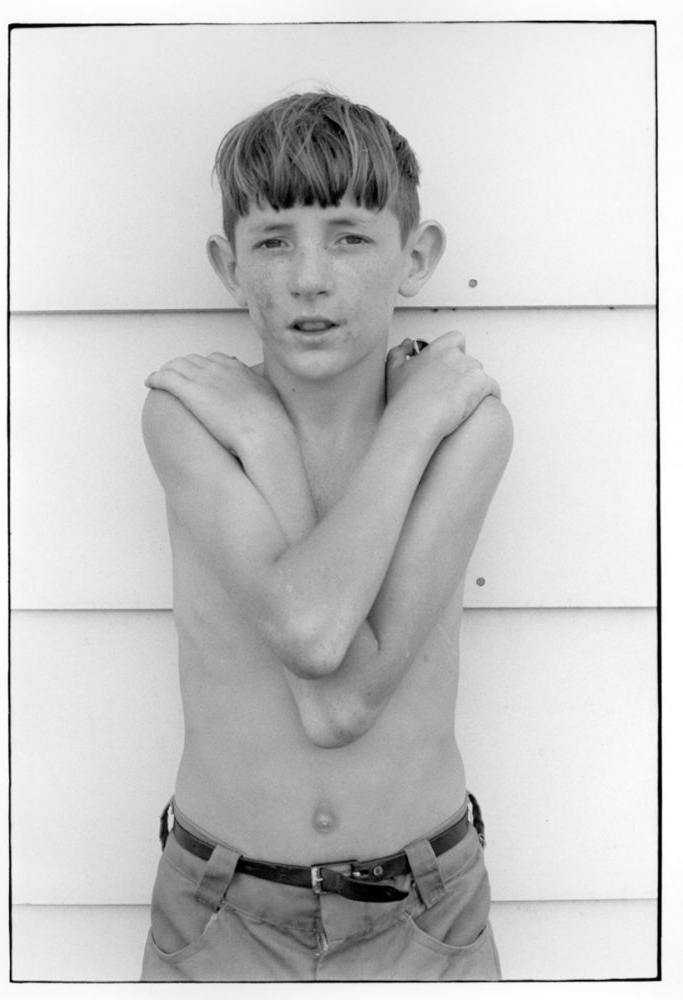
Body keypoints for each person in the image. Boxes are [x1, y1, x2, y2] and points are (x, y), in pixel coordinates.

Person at [139, 91, 512, 982]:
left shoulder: (466, 426)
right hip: (219, 909)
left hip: (427, 909)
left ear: (415, 257)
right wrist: (287, 435)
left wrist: (413, 424)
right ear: (229, 267)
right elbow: (313, 640)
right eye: (273, 241)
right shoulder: (189, 414)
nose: (309, 277)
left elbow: (337, 703)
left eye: (349, 235)